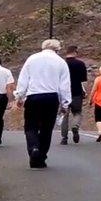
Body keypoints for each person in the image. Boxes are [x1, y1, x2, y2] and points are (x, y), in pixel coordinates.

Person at [15, 39, 72, 168]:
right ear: (57, 49)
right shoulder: (61, 62)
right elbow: (64, 85)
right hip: (51, 97)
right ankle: (41, 157)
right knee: (47, 128)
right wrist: (65, 103)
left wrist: (19, 96)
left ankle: (34, 148)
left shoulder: (32, 59)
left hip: (34, 96)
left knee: (31, 126)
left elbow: (24, 78)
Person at [60, 45, 89, 144]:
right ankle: (75, 126)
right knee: (77, 112)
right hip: (76, 92)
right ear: (75, 52)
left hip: (64, 93)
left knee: (65, 115)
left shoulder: (61, 64)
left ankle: (64, 138)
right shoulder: (80, 64)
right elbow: (83, 80)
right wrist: (85, 91)